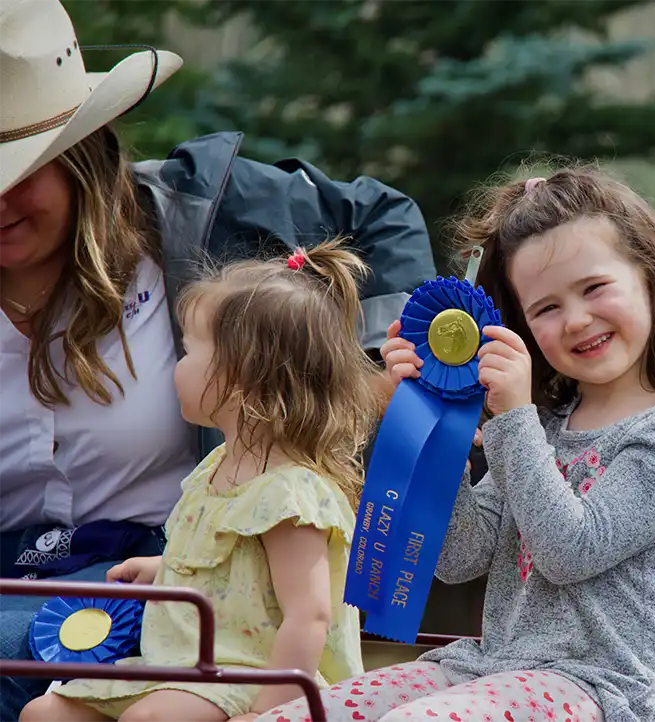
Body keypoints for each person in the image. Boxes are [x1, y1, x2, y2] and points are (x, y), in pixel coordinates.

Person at [0, 1, 435, 718]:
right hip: (25, 569)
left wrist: (362, 382)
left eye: (22, 171)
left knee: (19, 656)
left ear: (81, 154)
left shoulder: (203, 209)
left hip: (166, 567)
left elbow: (379, 221)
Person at [260, 169, 655, 722]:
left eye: (595, 288)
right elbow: (459, 558)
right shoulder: (546, 424)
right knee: (299, 715)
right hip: (494, 670)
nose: (577, 320)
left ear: (650, 277)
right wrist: (434, 422)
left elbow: (569, 551)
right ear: (525, 327)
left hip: (610, 690)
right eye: (546, 308)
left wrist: (515, 420)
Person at [20, 240, 380, 721]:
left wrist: (270, 712)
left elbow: (309, 615)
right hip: (179, 668)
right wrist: (161, 569)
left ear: (241, 377)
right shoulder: (216, 466)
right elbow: (234, 570)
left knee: (150, 719)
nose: (176, 367)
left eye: (188, 352)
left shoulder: (292, 493)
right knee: (45, 713)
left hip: (254, 679)